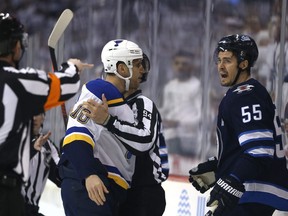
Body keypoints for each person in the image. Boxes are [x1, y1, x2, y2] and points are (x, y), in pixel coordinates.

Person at [0, 13, 92, 216]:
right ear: (15, 46)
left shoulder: (47, 148)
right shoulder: (17, 82)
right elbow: (66, 86)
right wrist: (72, 67)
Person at [189, 34, 288, 216]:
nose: (220, 66)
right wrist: (220, 166)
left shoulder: (245, 95)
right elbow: (247, 146)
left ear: (243, 64)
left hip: (252, 193)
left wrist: (232, 178)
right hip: (251, 193)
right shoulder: (247, 93)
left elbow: (260, 149)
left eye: (227, 61)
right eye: (219, 60)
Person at [58, 39, 154, 216]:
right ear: (122, 69)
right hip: (95, 188)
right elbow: (75, 137)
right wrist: (89, 174)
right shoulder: (100, 90)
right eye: (137, 64)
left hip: (107, 190)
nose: (142, 70)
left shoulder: (116, 100)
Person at [81, 53, 169, 216]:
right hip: (118, 187)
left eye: (140, 66)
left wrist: (108, 121)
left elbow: (145, 139)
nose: (140, 70)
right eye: (136, 65)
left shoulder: (143, 103)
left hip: (144, 193)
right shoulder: (104, 103)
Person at [159, 50, 202, 174]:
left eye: (184, 64)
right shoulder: (170, 86)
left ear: (191, 66)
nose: (180, 67)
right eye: (177, 63)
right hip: (171, 137)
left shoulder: (197, 85)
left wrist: (178, 123)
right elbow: (167, 109)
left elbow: (201, 115)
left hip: (189, 139)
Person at [22, 113, 61, 216]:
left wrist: (70, 152)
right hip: (9, 205)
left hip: (31, 209)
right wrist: (32, 149)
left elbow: (61, 178)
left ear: (43, 117)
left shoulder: (48, 146)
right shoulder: (12, 140)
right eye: (31, 112)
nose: (34, 117)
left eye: (37, 114)